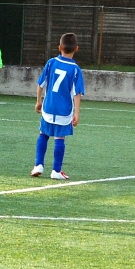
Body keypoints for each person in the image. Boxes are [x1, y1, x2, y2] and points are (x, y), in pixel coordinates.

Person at [33, 32, 85, 180]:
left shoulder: (51, 63)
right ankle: (56, 170)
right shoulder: (75, 69)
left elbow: (41, 84)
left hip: (48, 107)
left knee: (43, 134)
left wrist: (38, 101)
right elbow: (77, 93)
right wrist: (77, 112)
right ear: (76, 48)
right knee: (59, 138)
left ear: (59, 47)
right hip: (64, 110)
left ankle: (38, 165)